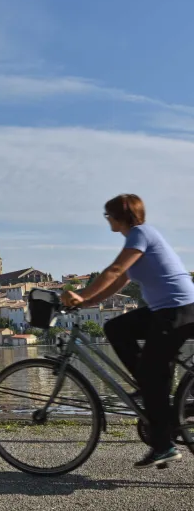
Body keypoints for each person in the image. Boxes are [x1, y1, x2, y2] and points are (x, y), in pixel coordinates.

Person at [61, 194, 194, 469]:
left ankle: (164, 445)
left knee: (151, 376)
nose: (107, 219)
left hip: (177, 311)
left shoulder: (140, 234)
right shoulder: (137, 239)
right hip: (167, 309)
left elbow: (115, 268)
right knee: (116, 327)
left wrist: (81, 293)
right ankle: (149, 389)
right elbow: (118, 281)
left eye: (108, 215)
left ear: (119, 217)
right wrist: (86, 301)